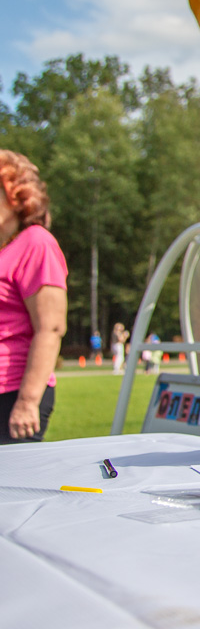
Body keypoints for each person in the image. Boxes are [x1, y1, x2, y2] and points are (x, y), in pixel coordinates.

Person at [0, 150, 67, 444]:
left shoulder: (36, 243)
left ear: (16, 196)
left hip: (13, 394)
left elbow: (50, 328)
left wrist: (28, 402)